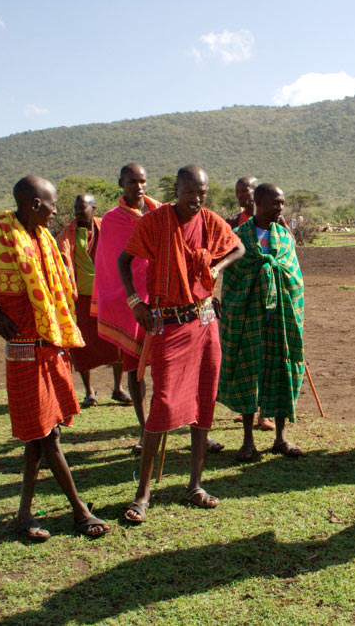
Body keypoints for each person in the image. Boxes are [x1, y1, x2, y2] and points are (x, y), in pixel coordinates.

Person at [0, 175, 110, 540]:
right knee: (46, 437)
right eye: (50, 206)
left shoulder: (42, 237)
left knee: (42, 436)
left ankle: (23, 515)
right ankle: (80, 512)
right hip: (24, 352)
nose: (54, 213)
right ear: (35, 204)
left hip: (50, 346)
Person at [119, 165, 243, 521]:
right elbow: (123, 260)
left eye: (202, 193)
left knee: (206, 399)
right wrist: (134, 303)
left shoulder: (209, 221)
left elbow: (239, 247)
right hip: (169, 324)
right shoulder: (156, 222)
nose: (197, 199)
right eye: (191, 192)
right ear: (177, 190)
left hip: (205, 322)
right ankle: (142, 494)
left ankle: (194, 484)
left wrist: (218, 268)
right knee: (164, 402)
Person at [218, 183, 306, 461]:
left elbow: (295, 278)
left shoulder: (284, 237)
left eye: (282, 203)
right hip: (248, 318)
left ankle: (280, 437)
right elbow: (231, 281)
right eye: (274, 203)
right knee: (249, 374)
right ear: (257, 202)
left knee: (281, 371)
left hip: (281, 318)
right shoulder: (238, 237)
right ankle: (247, 441)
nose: (279, 208)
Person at [92, 164, 161, 454]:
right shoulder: (111, 220)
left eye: (143, 181)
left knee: (172, 368)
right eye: (133, 182)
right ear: (121, 183)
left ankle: (190, 424)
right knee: (135, 369)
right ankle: (145, 429)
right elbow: (109, 265)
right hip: (133, 304)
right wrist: (132, 303)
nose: (139, 187)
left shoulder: (161, 212)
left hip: (165, 300)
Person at [56, 193, 125, 407]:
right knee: (81, 345)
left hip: (108, 296)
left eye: (82, 207)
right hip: (81, 299)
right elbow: (60, 258)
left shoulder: (107, 228)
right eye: (76, 208)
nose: (78, 211)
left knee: (116, 343)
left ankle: (118, 388)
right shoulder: (68, 233)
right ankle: (89, 392)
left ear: (93, 208)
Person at [225, 175, 274, 431]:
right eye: (239, 192)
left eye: (247, 191)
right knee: (248, 358)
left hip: (272, 303)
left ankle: (265, 414)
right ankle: (247, 407)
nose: (243, 196)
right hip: (246, 305)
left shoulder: (278, 224)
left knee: (270, 360)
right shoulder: (234, 226)